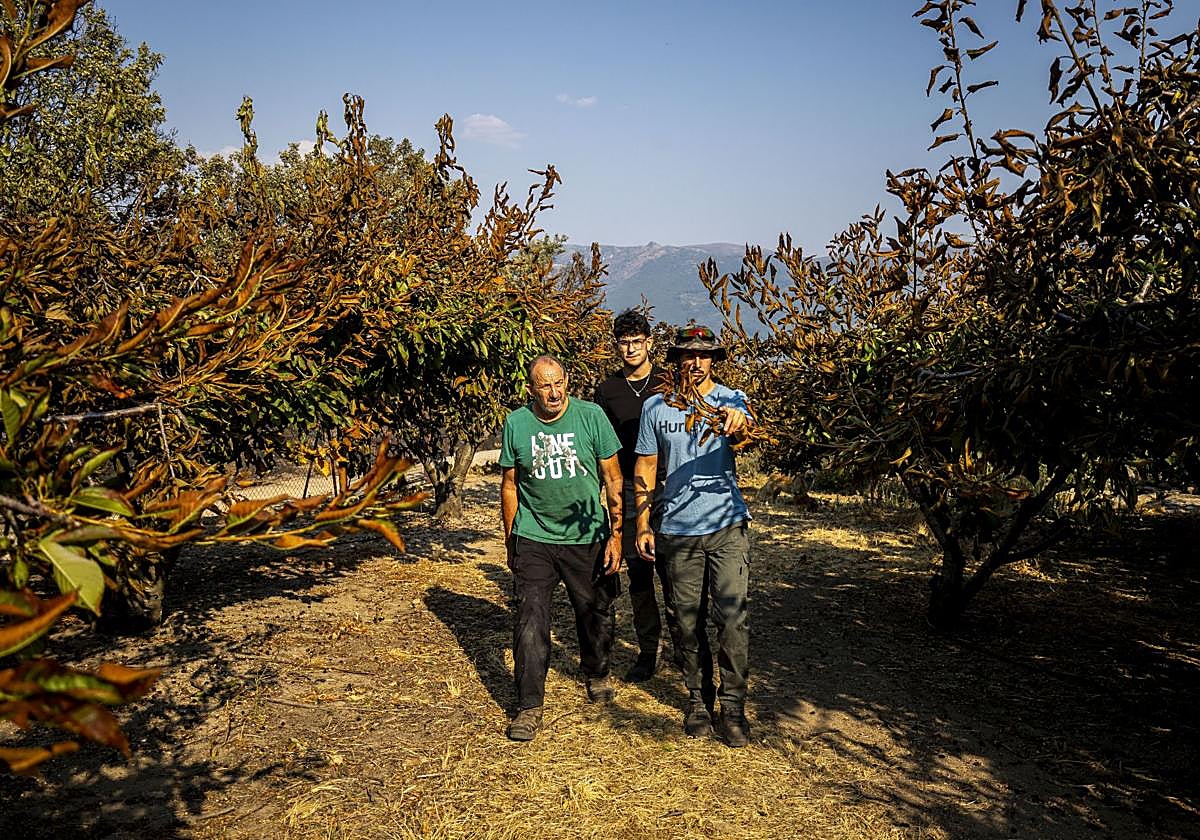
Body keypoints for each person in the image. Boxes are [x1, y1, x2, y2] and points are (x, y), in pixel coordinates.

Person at [634, 325, 754, 748]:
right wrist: (643, 524)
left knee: (732, 619)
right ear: (676, 360)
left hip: (726, 526)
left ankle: (733, 705)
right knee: (686, 621)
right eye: (689, 354)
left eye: (705, 355)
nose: (697, 362)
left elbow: (744, 434)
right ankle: (698, 700)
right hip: (677, 530)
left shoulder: (731, 400)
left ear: (714, 361)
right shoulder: (655, 407)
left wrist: (737, 423)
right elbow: (646, 467)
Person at [499, 354, 625, 741]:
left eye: (558, 383)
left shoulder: (591, 417)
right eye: (544, 386)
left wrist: (616, 534)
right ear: (531, 389)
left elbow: (613, 478)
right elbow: (509, 485)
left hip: (586, 534)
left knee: (595, 612)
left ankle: (597, 671)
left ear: (567, 381)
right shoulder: (516, 423)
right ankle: (529, 705)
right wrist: (512, 539)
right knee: (530, 620)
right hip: (534, 535)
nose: (553, 393)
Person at [593, 309, 685, 682]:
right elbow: (603, 446)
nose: (630, 349)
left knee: (676, 573)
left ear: (649, 343)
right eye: (623, 342)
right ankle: (649, 652)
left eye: (636, 342)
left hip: (672, 486)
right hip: (630, 489)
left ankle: (684, 648)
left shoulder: (669, 383)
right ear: (616, 346)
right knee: (640, 575)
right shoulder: (608, 390)